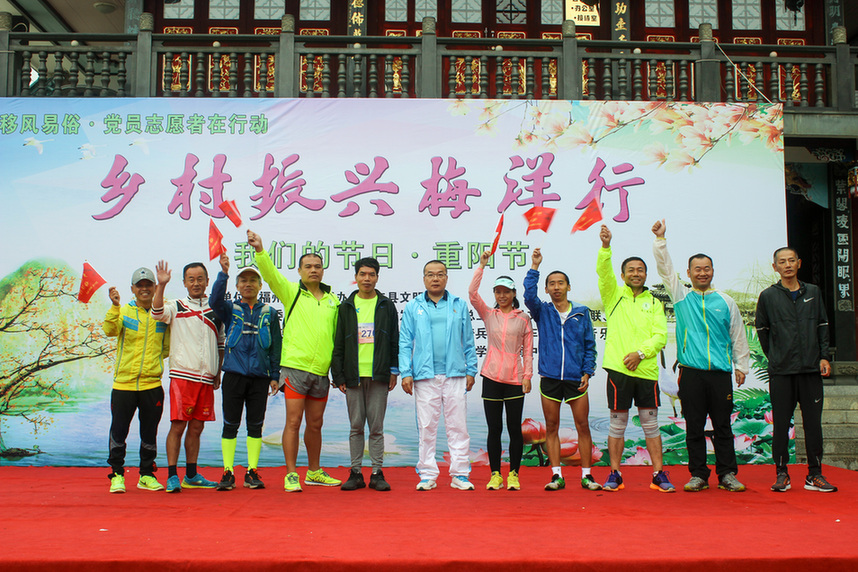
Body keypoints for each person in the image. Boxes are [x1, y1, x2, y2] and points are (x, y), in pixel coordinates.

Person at [652, 219, 750, 493]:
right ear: (689, 272)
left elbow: (737, 335)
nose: (702, 273)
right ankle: (698, 475)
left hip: (719, 374)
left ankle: (727, 474)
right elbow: (665, 269)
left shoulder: (726, 301)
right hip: (691, 374)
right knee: (693, 426)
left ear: (712, 271)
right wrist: (660, 240)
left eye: (707, 269)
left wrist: (741, 366)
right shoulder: (682, 297)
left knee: (723, 426)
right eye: (697, 269)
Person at [247, 230, 341, 492]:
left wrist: (337, 372)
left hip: (320, 371)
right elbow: (271, 276)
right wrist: (260, 250)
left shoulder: (333, 301)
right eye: (308, 266)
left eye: (317, 266)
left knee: (316, 424)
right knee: (293, 422)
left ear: (323, 271)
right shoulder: (292, 293)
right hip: (295, 369)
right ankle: (291, 474)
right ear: (299, 271)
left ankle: (314, 471)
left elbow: (337, 338)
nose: (313, 270)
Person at [597, 224, 673, 492]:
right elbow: (603, 273)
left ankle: (658, 474)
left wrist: (640, 354)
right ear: (623, 275)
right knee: (617, 426)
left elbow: (660, 336)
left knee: (651, 425)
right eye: (631, 270)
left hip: (646, 372)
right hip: (619, 372)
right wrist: (606, 247)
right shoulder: (613, 296)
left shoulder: (655, 302)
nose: (636, 273)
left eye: (640, 270)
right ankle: (615, 474)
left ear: (646, 274)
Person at [756, 247, 837, 493]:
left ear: (799, 263)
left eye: (791, 260)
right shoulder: (768, 296)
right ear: (775, 267)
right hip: (782, 372)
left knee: (813, 424)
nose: (787, 265)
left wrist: (823, 356)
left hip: (810, 370)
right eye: (782, 262)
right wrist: (776, 357)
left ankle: (815, 475)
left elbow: (822, 325)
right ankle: (782, 474)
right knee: (781, 424)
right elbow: (762, 331)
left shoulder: (812, 291)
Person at [524, 249, 600, 492]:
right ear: (546, 289)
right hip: (550, 377)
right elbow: (528, 295)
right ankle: (556, 475)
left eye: (561, 283)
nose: (556, 287)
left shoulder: (581, 312)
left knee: (583, 426)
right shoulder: (542, 311)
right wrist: (535, 267)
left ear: (569, 286)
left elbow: (590, 345)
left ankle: (587, 476)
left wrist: (587, 372)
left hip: (576, 378)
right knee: (551, 427)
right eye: (552, 284)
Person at [400, 260, 478, 491]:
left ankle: (460, 474)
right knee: (426, 427)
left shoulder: (458, 305)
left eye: (440, 274)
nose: (435, 278)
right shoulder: (413, 307)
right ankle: (427, 474)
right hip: (425, 376)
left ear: (446, 278)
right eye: (430, 274)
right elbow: (405, 342)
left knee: (458, 426)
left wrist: (471, 370)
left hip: (455, 374)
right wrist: (406, 372)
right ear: (424, 278)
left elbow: (468, 340)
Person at [209, 253, 282, 491]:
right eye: (243, 280)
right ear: (237, 285)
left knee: (255, 425)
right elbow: (214, 301)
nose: (248, 284)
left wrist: (274, 376)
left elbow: (276, 347)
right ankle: (228, 471)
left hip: (260, 378)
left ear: (261, 286)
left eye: (253, 280)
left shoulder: (270, 313)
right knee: (230, 424)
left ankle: (252, 471)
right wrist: (223, 274)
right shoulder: (230, 309)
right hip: (234, 375)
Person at [152, 260, 225, 493]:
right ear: (184, 282)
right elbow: (157, 313)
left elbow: (220, 344)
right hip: (183, 376)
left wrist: (217, 372)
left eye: (200, 279)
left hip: (206, 378)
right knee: (178, 426)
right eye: (191, 279)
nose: (196, 283)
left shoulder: (215, 310)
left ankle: (191, 475)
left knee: (197, 428)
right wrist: (161, 285)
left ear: (207, 281)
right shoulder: (176, 306)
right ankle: (172, 475)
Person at [331, 257, 399, 492]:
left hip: (379, 374)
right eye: (363, 274)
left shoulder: (386, 305)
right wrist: (339, 376)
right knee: (356, 426)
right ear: (356, 277)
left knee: (376, 427)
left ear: (377, 277)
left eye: (371, 274)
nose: (367, 278)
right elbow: (338, 343)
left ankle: (377, 473)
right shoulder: (346, 307)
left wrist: (393, 370)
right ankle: (356, 472)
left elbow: (394, 340)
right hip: (353, 376)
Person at [469, 250, 533, 491]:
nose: (502, 295)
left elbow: (528, 351)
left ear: (514, 293)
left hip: (515, 379)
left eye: (506, 291)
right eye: (498, 291)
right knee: (494, 429)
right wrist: (481, 266)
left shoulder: (523, 318)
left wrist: (527, 376)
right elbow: (472, 294)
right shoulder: (489, 314)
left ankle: (514, 474)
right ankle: (495, 474)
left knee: (515, 429)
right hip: (491, 377)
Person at [103, 267, 170, 493]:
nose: (144, 289)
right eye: (139, 285)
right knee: (119, 431)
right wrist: (114, 306)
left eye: (148, 284)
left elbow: (167, 347)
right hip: (124, 385)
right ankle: (117, 475)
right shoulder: (123, 311)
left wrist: (152, 364)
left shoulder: (162, 313)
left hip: (152, 385)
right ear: (132, 289)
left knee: (149, 433)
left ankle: (146, 475)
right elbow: (109, 330)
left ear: (155, 287)